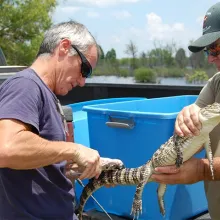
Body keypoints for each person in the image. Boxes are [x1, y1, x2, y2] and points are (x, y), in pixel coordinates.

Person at [0, 21, 102, 219]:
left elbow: (41, 164)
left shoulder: (45, 93)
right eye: (85, 69)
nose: (82, 82)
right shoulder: (25, 85)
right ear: (64, 47)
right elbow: (6, 148)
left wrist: (86, 168)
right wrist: (74, 150)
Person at [151, 2, 220, 220]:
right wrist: (185, 116)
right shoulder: (216, 83)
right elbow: (194, 116)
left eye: (217, 48)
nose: (210, 58)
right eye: (209, 50)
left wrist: (201, 170)